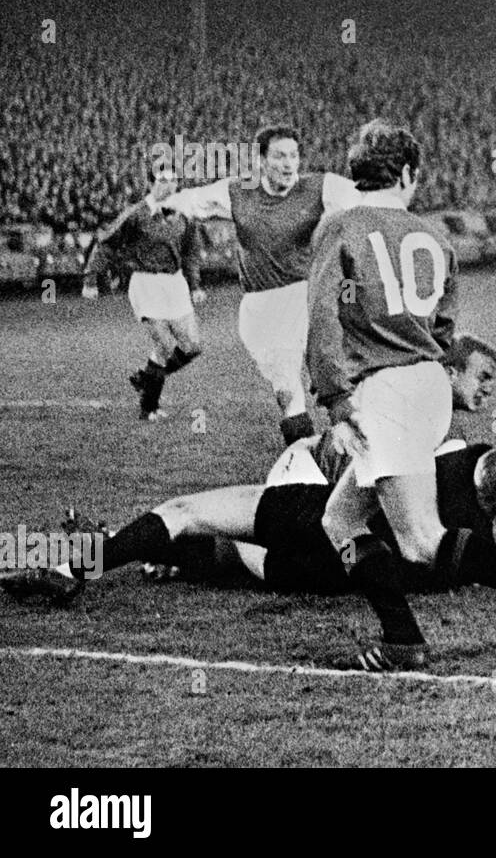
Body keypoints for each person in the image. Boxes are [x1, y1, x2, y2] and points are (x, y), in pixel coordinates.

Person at [0, 438, 496, 664]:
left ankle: (80, 558)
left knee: (189, 515)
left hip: (317, 519)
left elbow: (354, 469)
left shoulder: (442, 455)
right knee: (231, 554)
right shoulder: (454, 541)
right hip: (338, 568)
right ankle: (116, 546)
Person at [306, 118, 474, 671]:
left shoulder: (340, 226)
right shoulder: (437, 235)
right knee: (339, 521)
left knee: (421, 544)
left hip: (386, 390)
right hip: (429, 383)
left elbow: (323, 318)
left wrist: (334, 400)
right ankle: (401, 634)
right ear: (406, 173)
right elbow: (447, 329)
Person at [164, 124, 361, 445]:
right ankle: (305, 458)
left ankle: (354, 441)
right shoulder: (239, 192)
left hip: (310, 294)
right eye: (280, 156)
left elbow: (363, 198)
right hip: (263, 306)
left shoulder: (319, 187)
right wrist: (164, 206)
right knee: (287, 391)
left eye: (294, 155)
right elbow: (195, 200)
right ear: (260, 160)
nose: (288, 164)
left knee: (338, 371)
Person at [82, 168, 205, 421]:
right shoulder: (136, 214)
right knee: (165, 345)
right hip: (146, 284)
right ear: (150, 184)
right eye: (162, 181)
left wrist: (194, 285)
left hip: (175, 283)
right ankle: (149, 407)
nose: (169, 185)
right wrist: (91, 279)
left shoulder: (184, 215)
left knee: (191, 347)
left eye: (173, 181)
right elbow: (107, 243)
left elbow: (191, 252)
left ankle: (145, 378)